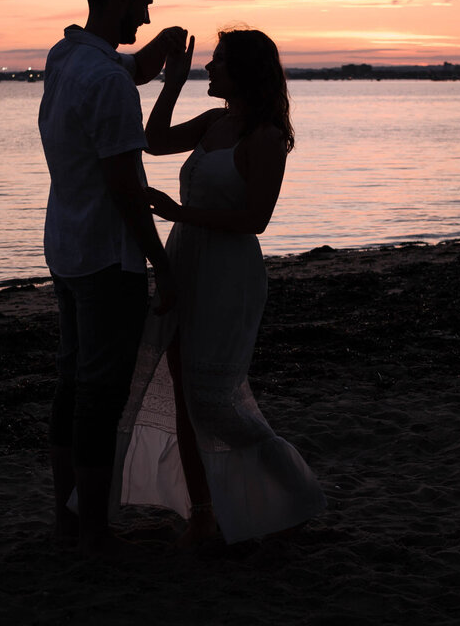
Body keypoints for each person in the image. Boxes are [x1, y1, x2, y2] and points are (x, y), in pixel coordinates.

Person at [112, 28, 327, 546]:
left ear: (247, 71)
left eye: (219, 60)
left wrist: (180, 212)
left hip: (230, 273)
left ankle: (292, 490)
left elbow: (256, 219)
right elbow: (155, 140)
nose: (210, 67)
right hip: (186, 261)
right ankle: (204, 511)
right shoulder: (213, 122)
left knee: (212, 398)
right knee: (183, 394)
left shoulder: (266, 136)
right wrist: (172, 83)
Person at [38, 0, 186, 556]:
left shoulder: (67, 56)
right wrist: (164, 265)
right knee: (100, 396)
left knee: (73, 385)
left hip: (66, 246)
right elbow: (127, 189)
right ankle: (95, 532)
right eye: (144, 2)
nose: (147, 16)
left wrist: (158, 60)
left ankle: (71, 521)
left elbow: (122, 70)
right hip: (105, 257)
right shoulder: (104, 81)